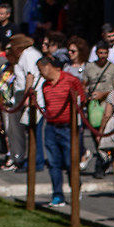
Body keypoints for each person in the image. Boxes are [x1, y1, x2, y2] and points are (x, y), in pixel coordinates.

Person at [37, 49, 82, 207]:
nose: (40, 73)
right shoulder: (45, 86)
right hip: (51, 126)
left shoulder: (70, 80)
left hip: (68, 127)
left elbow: (81, 99)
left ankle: (76, 189)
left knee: (70, 162)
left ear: (49, 66)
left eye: (41, 69)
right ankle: (57, 194)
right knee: (54, 163)